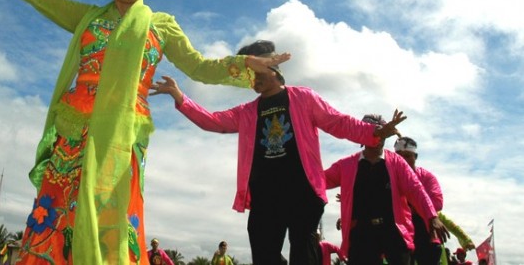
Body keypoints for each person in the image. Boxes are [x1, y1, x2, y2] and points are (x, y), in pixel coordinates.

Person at [0, 0, 289, 265]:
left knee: (112, 212)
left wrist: (245, 65)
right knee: (59, 209)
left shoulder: (162, 27)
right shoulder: (87, 17)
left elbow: (199, 66)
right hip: (74, 131)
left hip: (123, 137)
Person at [152, 40, 406, 265]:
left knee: (303, 253)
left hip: (303, 192)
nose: (250, 77)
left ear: (272, 69)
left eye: (253, 70)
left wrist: (375, 132)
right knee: (264, 255)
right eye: (246, 72)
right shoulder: (247, 111)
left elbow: (338, 122)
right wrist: (180, 97)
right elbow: (213, 121)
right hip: (265, 196)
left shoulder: (303, 98)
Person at [323, 114, 450, 265]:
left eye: (382, 134)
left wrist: (431, 216)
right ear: (361, 137)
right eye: (372, 133)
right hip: (362, 233)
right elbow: (319, 180)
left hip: (394, 230)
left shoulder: (397, 163)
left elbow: (415, 188)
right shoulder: (346, 165)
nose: (377, 139)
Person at [394, 137, 444, 265]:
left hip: (426, 235)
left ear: (415, 156)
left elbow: (437, 203)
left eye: (407, 156)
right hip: (400, 235)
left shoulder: (427, 176)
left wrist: (405, 207)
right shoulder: (390, 178)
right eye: (399, 156)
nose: (403, 159)